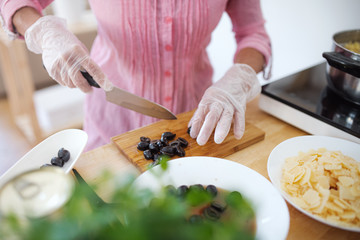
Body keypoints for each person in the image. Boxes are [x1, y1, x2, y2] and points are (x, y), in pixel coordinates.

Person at [0, 1, 271, 151]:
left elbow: (253, 34)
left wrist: (240, 77)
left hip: (195, 118)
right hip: (111, 119)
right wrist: (44, 32)